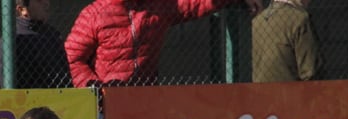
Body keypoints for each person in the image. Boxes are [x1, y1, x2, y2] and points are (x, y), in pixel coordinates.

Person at [64, 0, 264, 88]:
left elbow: (195, 4)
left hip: (147, 100)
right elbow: (72, 58)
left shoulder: (157, 6)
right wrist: (96, 90)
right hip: (106, 107)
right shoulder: (94, 14)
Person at [0, 0, 72, 89]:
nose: (46, 3)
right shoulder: (13, 42)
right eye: (39, 0)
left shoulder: (53, 35)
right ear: (22, 10)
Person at [252, 0, 323, 82]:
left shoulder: (257, 21)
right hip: (290, 91)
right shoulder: (299, 19)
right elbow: (309, 71)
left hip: (259, 91)